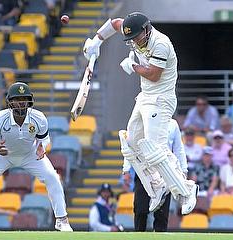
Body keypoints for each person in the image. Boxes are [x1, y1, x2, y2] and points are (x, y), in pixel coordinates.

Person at [83, 12, 198, 215]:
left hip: (161, 99)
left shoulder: (161, 43)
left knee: (156, 149)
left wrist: (133, 66)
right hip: (145, 96)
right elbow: (116, 23)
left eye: (137, 36)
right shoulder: (132, 30)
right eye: (131, 37)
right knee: (133, 143)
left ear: (146, 29)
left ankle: (187, 189)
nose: (134, 41)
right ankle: (157, 185)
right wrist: (97, 41)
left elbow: (154, 75)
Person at [0, 82, 73, 232]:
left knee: (53, 177)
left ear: (29, 101)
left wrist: (42, 147)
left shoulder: (39, 118)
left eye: (24, 99)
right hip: (3, 155)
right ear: (10, 102)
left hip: (30, 155)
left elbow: (44, 138)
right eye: (17, 100)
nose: (21, 103)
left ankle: (61, 220)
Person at [122, 119, 188, 232]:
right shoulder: (142, 121)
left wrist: (183, 169)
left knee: (162, 213)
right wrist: (126, 169)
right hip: (144, 171)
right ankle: (139, 235)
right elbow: (131, 144)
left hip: (165, 172)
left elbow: (178, 148)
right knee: (140, 209)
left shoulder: (172, 124)